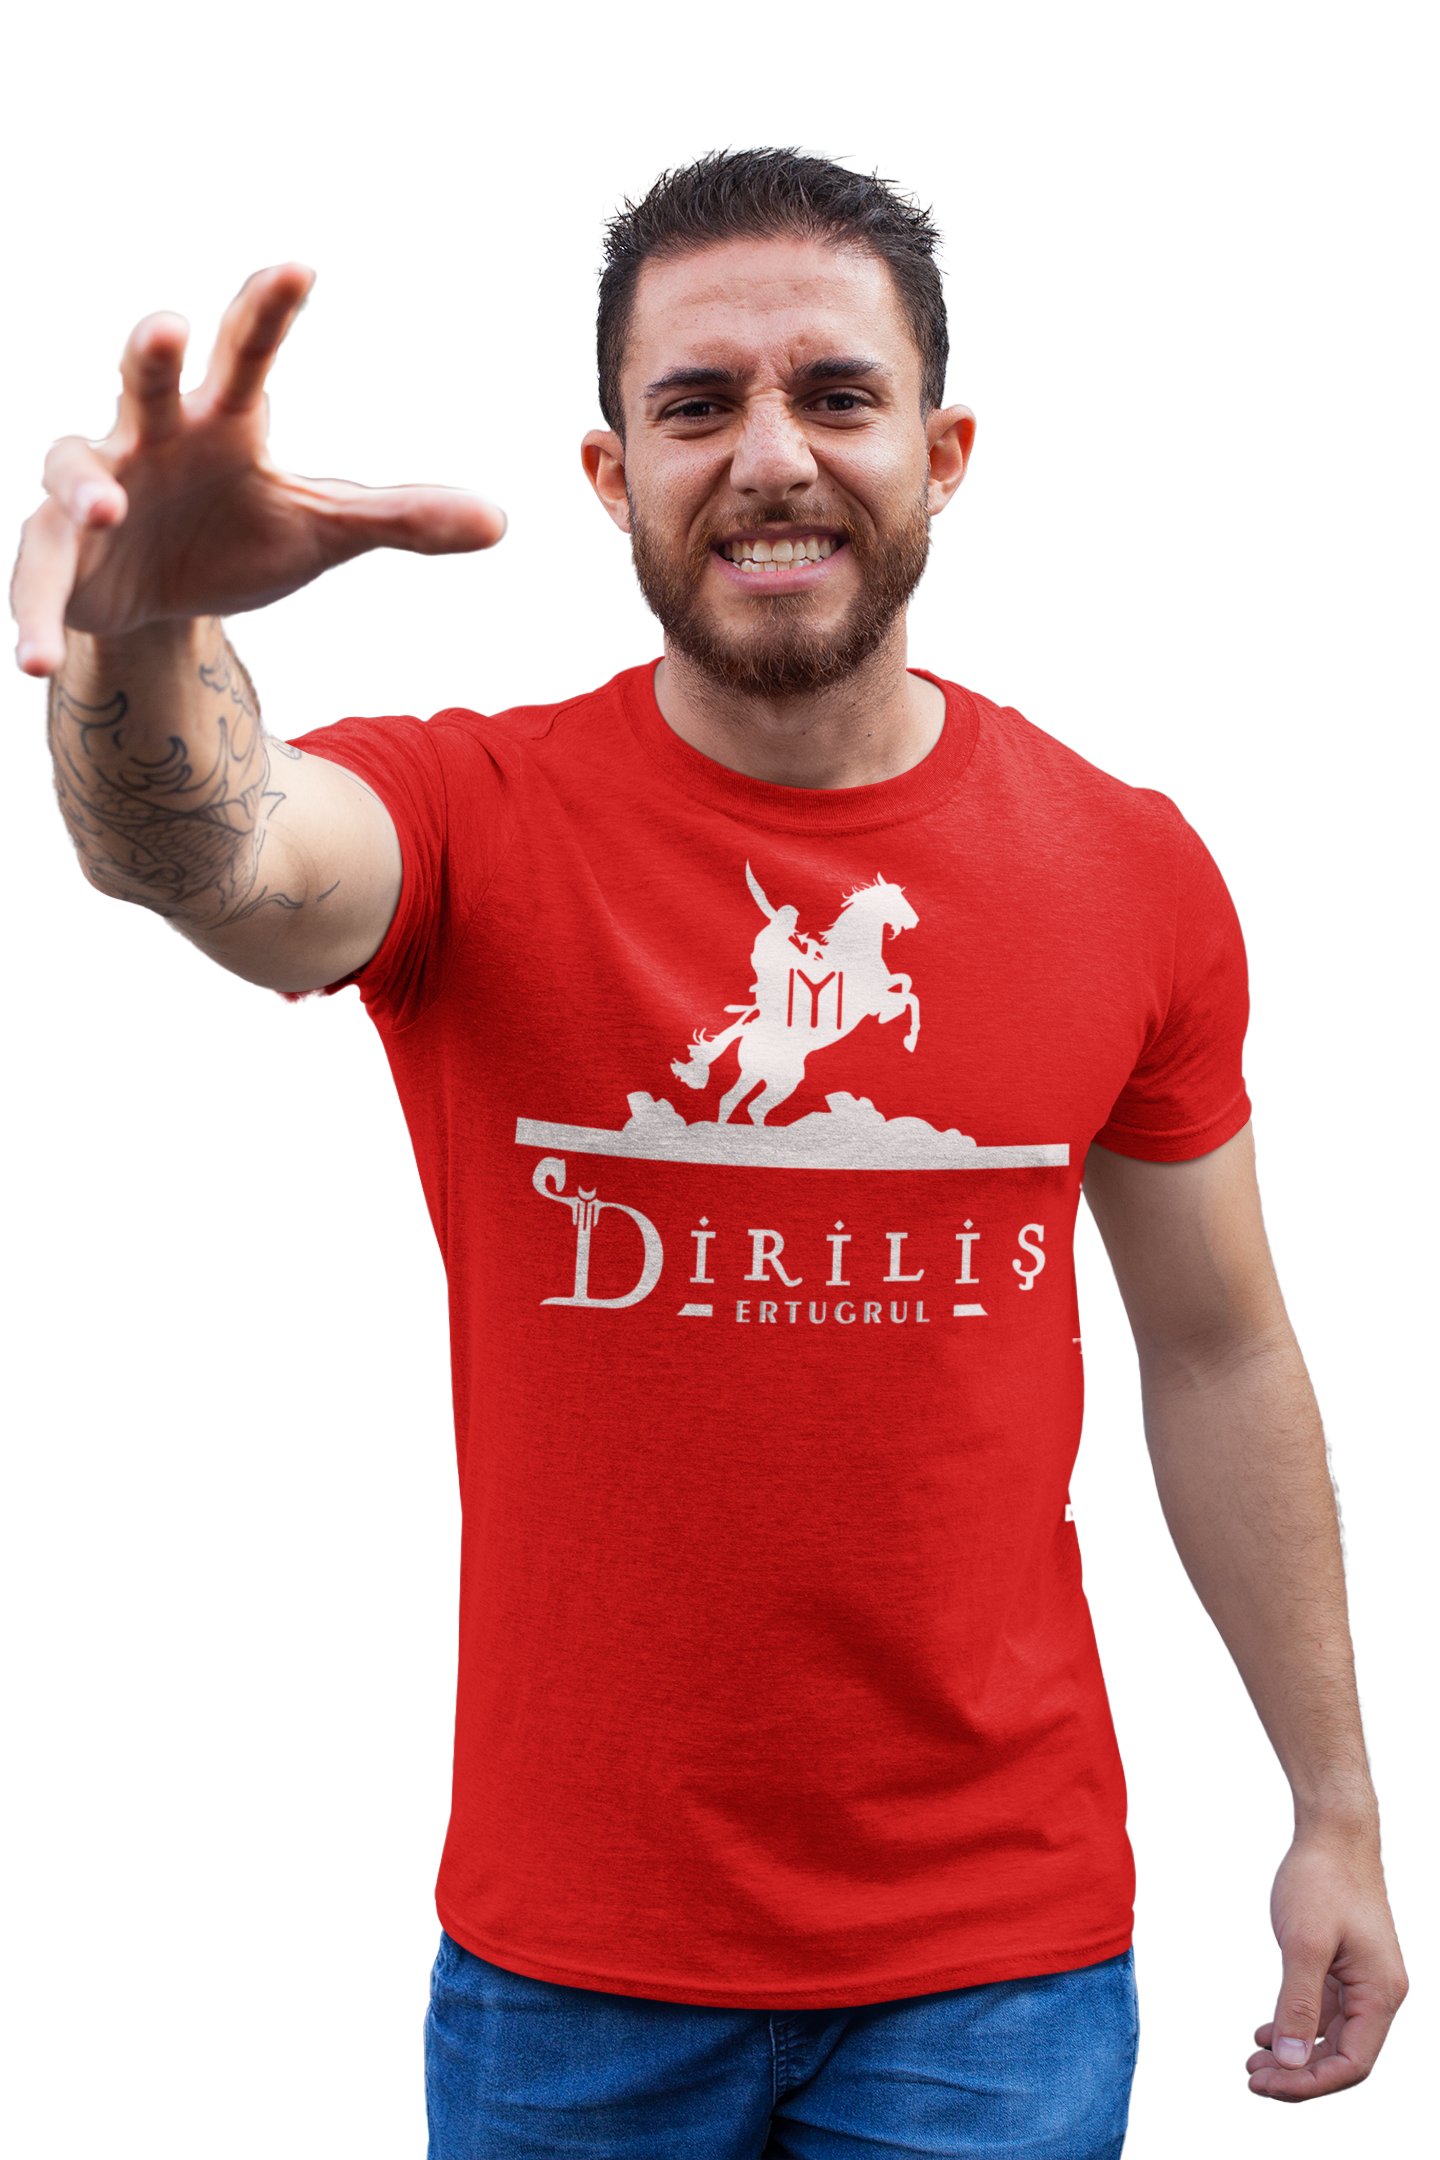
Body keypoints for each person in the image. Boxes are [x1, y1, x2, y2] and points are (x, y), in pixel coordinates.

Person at [13, 148, 1407, 2157]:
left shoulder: (1128, 868)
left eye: (836, 395)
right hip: (570, 1982)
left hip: (993, 1977)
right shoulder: (475, 815)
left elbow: (1221, 1349)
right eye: (697, 404)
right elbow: (215, 854)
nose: (771, 457)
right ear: (612, 474)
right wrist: (144, 633)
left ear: (942, 452)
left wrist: (1337, 1807)